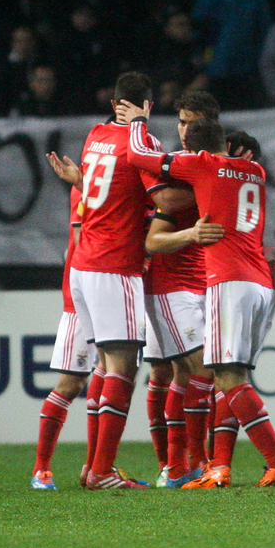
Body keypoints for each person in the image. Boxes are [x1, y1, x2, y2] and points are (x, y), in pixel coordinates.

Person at [126, 104, 275, 489]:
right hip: (262, 283)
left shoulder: (201, 166)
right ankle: (218, 466)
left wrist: (136, 121)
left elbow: (138, 154)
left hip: (229, 281)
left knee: (226, 376)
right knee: (230, 377)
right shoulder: (255, 171)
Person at [45, 71, 164, 489]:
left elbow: (103, 190)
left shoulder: (95, 134)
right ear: (147, 106)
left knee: (103, 364)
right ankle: (100, 471)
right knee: (123, 366)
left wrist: (80, 180)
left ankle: (93, 467)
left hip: (84, 263)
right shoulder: (143, 141)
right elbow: (162, 196)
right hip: (115, 264)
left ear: (113, 104)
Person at [137, 91, 224, 489]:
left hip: (209, 282)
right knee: (176, 371)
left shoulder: (225, 165)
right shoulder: (171, 168)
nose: (185, 130)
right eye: (181, 122)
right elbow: (155, 234)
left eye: (194, 122)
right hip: (172, 285)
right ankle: (174, 464)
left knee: (196, 375)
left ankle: (192, 464)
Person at [30, 188, 98, 489]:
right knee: (70, 384)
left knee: (113, 377)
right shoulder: (86, 188)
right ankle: (41, 469)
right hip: (85, 298)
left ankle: (97, 467)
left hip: (119, 292)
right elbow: (80, 242)